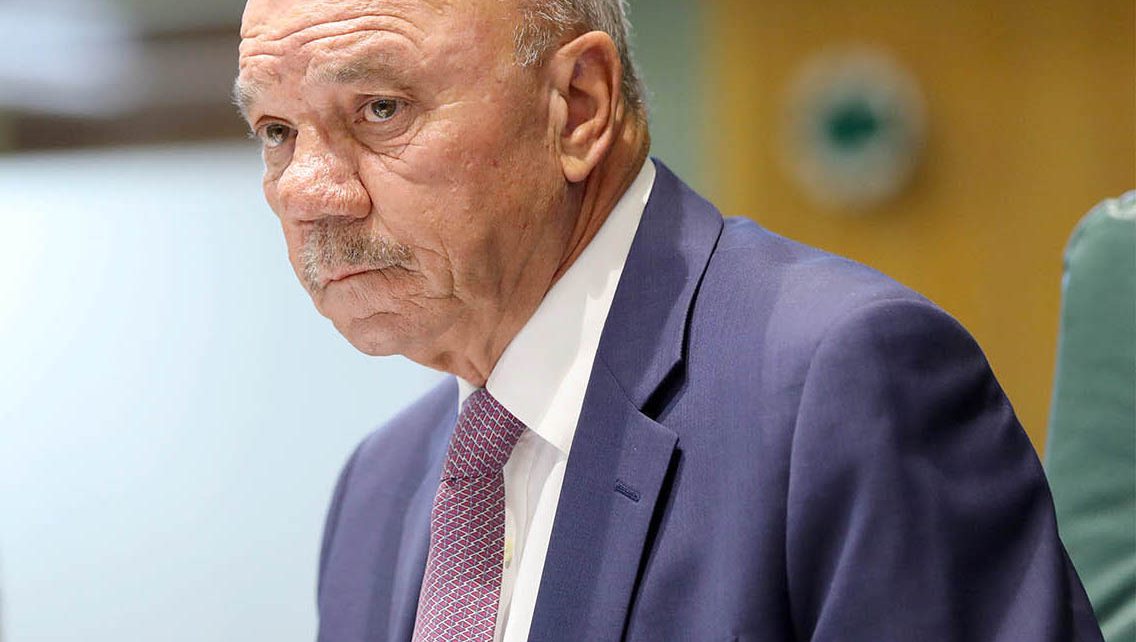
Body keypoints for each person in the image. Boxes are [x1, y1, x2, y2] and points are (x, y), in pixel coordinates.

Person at [234, 0, 1104, 640]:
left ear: (578, 105)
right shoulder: (378, 492)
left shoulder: (840, 380)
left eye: (381, 109)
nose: (308, 193)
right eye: (276, 131)